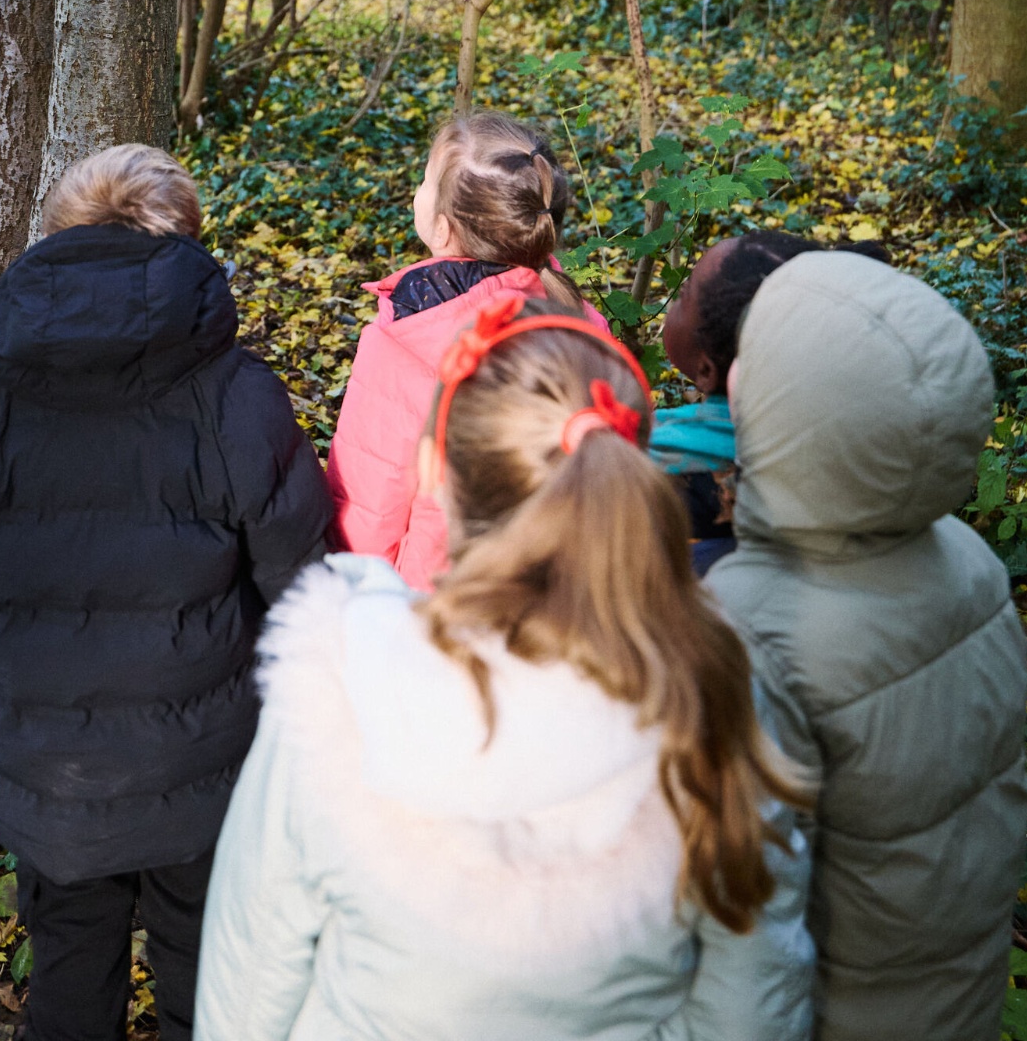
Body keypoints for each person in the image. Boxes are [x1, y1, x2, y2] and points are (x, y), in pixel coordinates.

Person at [194, 292, 815, 1041]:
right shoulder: (717, 690)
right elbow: (751, 1009)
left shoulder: (341, 685)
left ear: (435, 470)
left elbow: (250, 982)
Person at [0, 144, 333, 1041]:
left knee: (68, 978)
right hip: (204, 761)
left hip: (49, 765)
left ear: (54, 239)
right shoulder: (237, 399)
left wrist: (16, 675)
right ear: (187, 242)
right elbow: (302, 586)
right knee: (205, 984)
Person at [708, 249, 1027, 1041]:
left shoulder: (749, 625)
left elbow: (737, 920)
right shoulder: (967, 558)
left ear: (800, 408)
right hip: (955, 996)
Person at [327, 110, 601, 589]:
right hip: (555, 590)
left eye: (427, 181)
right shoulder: (583, 322)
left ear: (441, 229)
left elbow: (370, 507)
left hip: (434, 610)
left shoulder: (407, 338)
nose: (418, 190)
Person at [657, 231, 889, 573]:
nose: (675, 297)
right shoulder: (859, 449)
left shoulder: (654, 459)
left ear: (706, 370)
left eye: (685, 292)